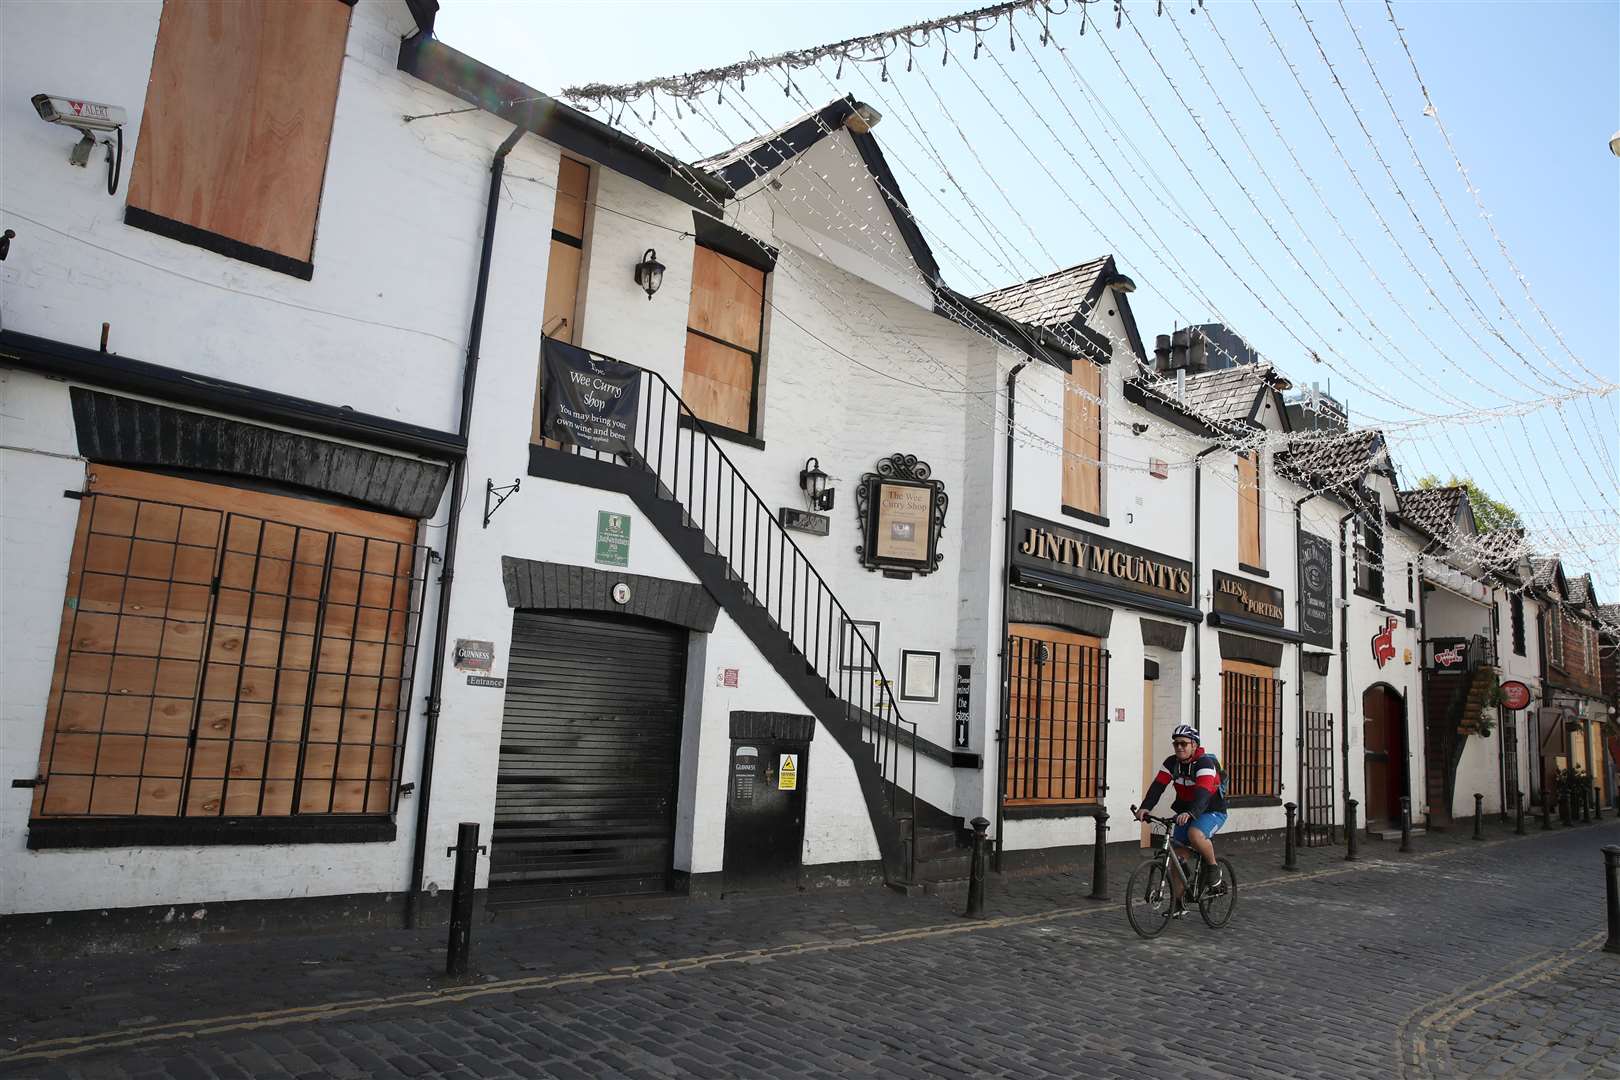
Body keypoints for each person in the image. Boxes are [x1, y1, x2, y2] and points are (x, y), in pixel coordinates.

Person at [1135, 724, 1228, 912]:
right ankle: (1178, 904)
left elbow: (1203, 794)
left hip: (1211, 810)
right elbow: (1157, 787)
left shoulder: (1204, 764)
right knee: (1176, 860)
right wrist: (1145, 807)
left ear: (1194, 745)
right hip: (1185, 813)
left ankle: (1213, 869)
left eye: (1184, 744)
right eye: (1176, 743)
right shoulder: (1172, 763)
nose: (1179, 747)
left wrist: (1191, 813)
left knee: (1195, 834)